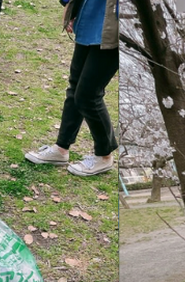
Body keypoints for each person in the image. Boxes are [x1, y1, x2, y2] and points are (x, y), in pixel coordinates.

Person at [23, 0, 117, 176]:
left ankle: (104, 155)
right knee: (75, 87)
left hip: (115, 25)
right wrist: (70, 5)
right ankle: (61, 148)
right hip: (90, 16)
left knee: (88, 95)